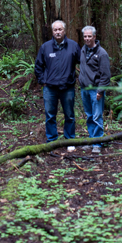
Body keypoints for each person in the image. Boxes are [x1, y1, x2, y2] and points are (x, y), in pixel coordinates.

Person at [35, 20, 81, 151]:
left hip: (67, 87)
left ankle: (70, 140)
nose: (58, 32)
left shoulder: (73, 46)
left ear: (64, 30)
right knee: (50, 115)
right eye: (55, 30)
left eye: (60, 29)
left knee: (70, 115)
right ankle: (52, 140)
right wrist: (43, 80)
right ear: (52, 31)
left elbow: (82, 62)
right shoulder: (45, 47)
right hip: (50, 88)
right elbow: (38, 66)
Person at [79, 25, 111, 153]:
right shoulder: (83, 50)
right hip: (84, 89)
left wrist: (100, 91)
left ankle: (97, 143)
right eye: (85, 36)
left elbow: (106, 75)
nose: (87, 39)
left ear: (94, 36)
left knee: (97, 116)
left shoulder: (101, 53)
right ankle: (91, 140)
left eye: (89, 36)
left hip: (95, 90)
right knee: (89, 115)